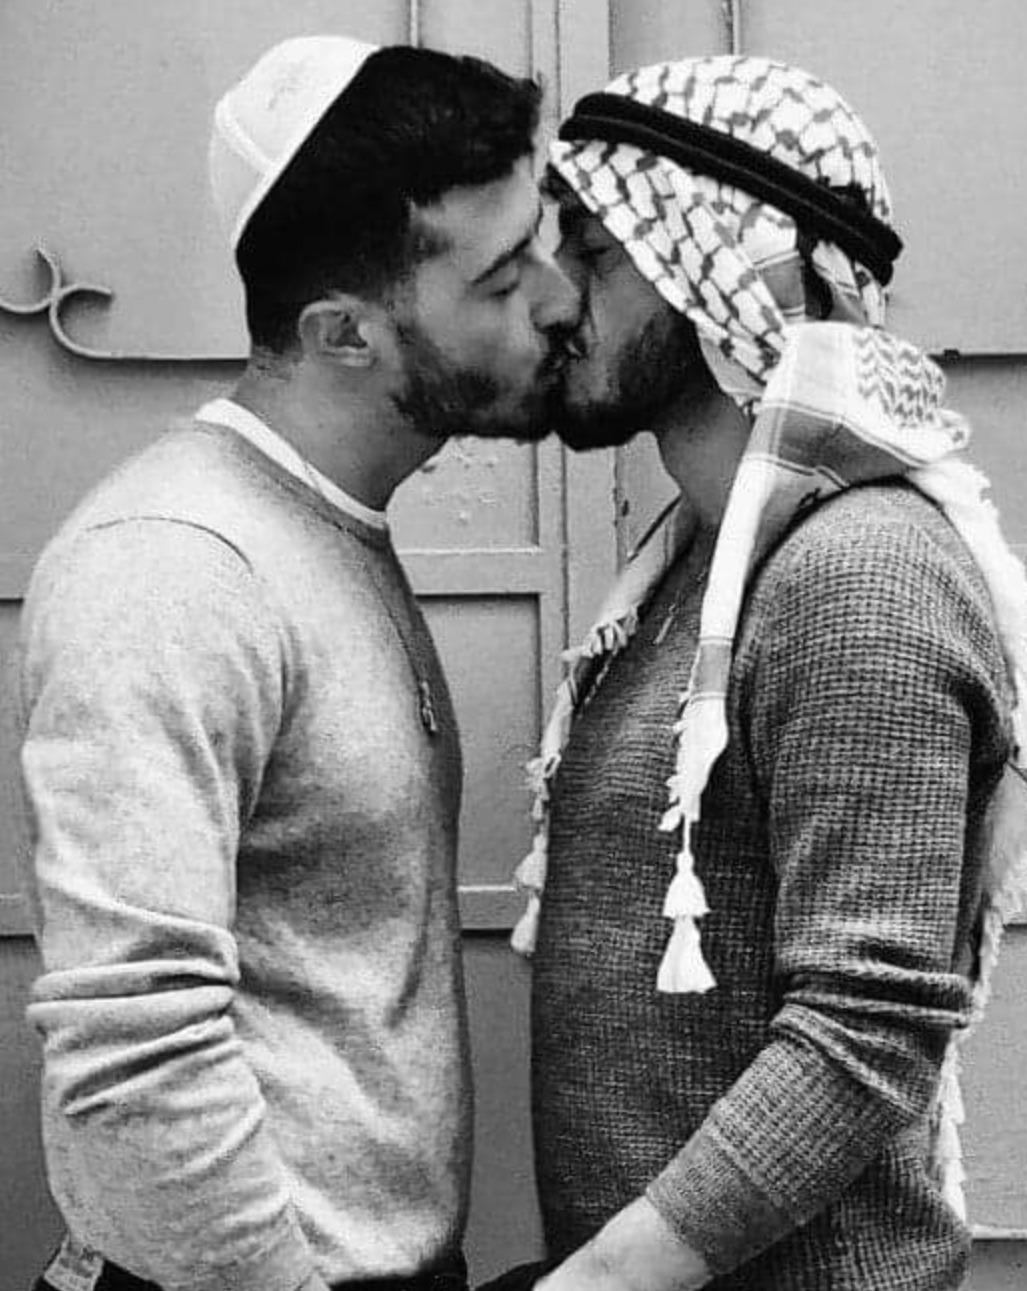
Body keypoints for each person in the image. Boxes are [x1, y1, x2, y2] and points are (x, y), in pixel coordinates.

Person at [17, 34, 577, 1291]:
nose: (554, 299)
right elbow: (134, 1050)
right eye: (499, 278)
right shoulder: (172, 567)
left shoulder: (318, 529)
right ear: (344, 334)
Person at [505, 55, 1027, 1291]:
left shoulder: (857, 573)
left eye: (594, 247)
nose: (551, 294)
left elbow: (860, 1039)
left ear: (724, 266)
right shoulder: (698, 564)